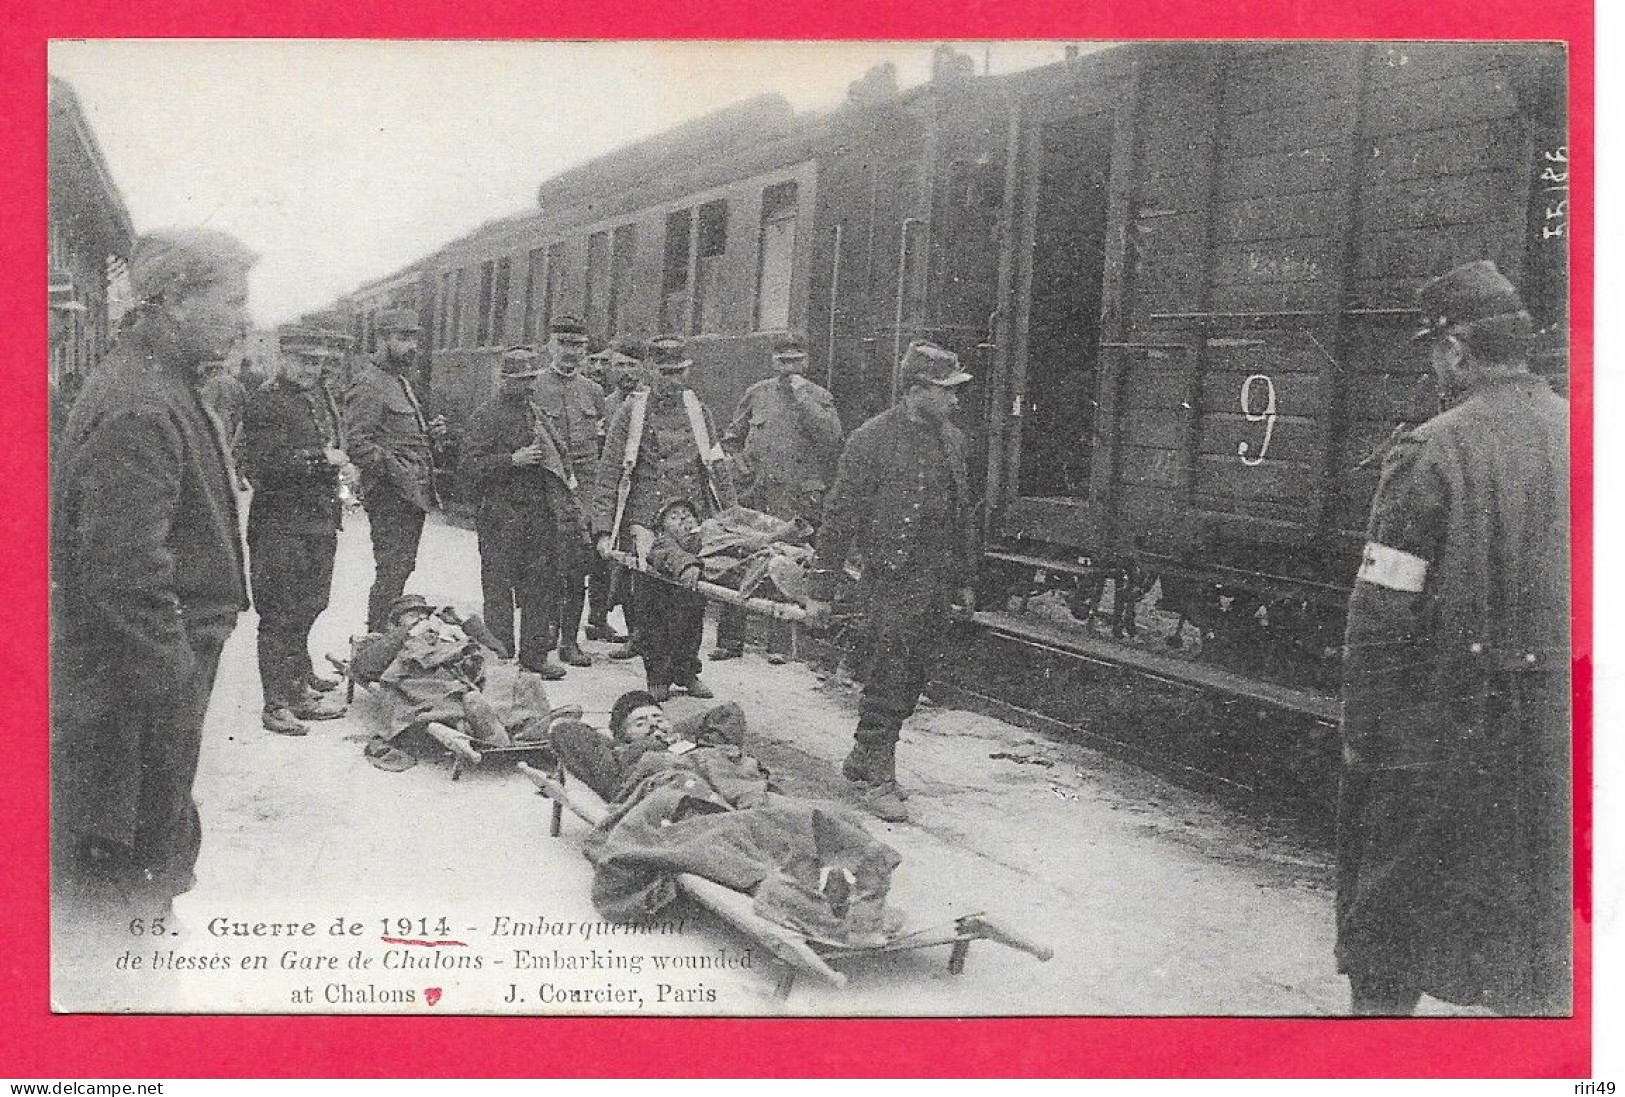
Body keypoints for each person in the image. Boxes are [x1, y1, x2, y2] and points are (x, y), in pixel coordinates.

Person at [1335, 259, 1571, 1017]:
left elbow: (1382, 616)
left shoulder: (1432, 451)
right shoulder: (1585, 433)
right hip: (1554, 731)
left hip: (1441, 728)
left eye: (1434, 351)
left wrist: (1363, 734)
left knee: (1388, 922)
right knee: (1537, 931)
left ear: (1456, 351)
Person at [51, 226, 257, 935]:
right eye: (231, 301)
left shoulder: (158, 383)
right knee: (124, 859)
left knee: (144, 837)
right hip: (138, 688)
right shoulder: (144, 402)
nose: (244, 320)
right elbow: (124, 572)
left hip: (144, 681)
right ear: (173, 299)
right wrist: (174, 677)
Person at [803, 340, 977, 823]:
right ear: (916, 390)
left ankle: (863, 757)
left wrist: (964, 581)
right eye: (946, 391)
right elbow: (839, 516)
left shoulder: (954, 442)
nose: (955, 401)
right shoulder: (871, 440)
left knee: (915, 673)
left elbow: (963, 515)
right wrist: (821, 588)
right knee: (889, 672)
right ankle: (878, 773)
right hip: (891, 580)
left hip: (936, 579)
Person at [592, 333, 737, 701]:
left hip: (691, 517)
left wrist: (731, 517)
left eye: (679, 373)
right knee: (652, 601)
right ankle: (657, 675)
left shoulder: (698, 410)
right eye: (666, 373)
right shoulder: (632, 412)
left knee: (692, 597)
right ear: (651, 371)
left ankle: (687, 671)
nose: (673, 381)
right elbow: (610, 470)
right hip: (647, 519)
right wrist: (604, 529)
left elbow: (715, 463)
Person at [240, 326, 353, 735]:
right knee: (279, 614)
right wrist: (322, 459)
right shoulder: (266, 402)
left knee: (310, 605)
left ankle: (299, 679)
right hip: (281, 526)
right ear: (283, 358)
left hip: (318, 521)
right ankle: (278, 703)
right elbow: (262, 467)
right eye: (305, 361)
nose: (313, 369)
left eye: (318, 362)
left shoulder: (315, 399)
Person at [713, 329, 843, 659]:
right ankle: (730, 642)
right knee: (740, 558)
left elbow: (831, 439)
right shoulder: (756, 394)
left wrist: (801, 396)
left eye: (795, 361)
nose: (788, 367)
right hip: (756, 492)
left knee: (786, 562)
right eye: (782, 360)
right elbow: (731, 439)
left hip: (794, 496)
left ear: (807, 361)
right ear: (772, 361)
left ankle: (779, 646)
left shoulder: (819, 397)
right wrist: (739, 467)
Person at [461, 345, 588, 680]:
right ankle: (501, 657)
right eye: (521, 379)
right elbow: (469, 467)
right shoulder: (486, 415)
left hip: (537, 516)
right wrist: (511, 461)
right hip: (500, 517)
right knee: (499, 591)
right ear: (505, 380)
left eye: (532, 378)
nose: (530, 385)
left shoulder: (534, 412)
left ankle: (534, 656)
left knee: (540, 589)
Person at [350, 595, 558, 771]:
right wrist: (406, 632)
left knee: (519, 680)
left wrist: (464, 622)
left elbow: (500, 652)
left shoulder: (447, 633)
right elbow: (363, 668)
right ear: (395, 623)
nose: (421, 618)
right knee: (457, 696)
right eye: (412, 615)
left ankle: (525, 728)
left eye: (424, 614)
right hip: (431, 679)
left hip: (471, 672)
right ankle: (494, 730)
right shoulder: (390, 640)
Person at [346, 306, 446, 632]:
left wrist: (427, 435)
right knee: (391, 571)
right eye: (403, 338)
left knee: (401, 568)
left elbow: (397, 435)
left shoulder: (399, 381)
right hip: (390, 494)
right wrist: (396, 467)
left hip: (409, 495)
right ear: (383, 339)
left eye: (414, 338)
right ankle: (376, 640)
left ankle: (383, 639)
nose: (411, 346)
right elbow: (357, 444)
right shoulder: (369, 384)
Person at [532, 314, 616, 663]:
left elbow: (603, 445)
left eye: (578, 346)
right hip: (544, 489)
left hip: (582, 493)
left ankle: (570, 640)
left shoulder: (595, 392)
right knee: (544, 566)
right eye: (563, 344)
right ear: (550, 345)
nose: (570, 352)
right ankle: (544, 633)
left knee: (578, 568)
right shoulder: (534, 386)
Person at [640, 499, 709, 701]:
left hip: (690, 601)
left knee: (691, 634)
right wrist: (688, 567)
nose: (682, 519)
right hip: (661, 601)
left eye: (687, 515)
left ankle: (687, 674)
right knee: (658, 639)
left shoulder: (699, 542)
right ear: (662, 527)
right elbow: (670, 554)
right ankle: (658, 680)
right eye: (674, 516)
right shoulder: (662, 542)